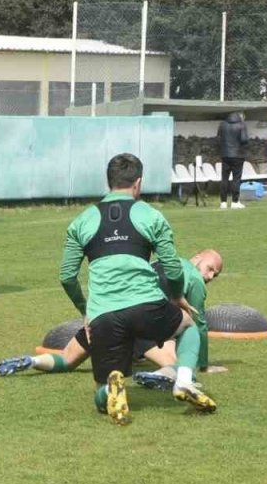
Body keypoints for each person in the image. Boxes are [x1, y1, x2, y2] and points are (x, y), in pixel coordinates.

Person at [59, 153, 216, 425]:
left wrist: (87, 311)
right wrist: (177, 296)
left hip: (104, 315)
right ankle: (183, 379)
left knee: (101, 394)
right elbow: (173, 267)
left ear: (108, 182)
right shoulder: (151, 215)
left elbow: (67, 277)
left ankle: (111, 389)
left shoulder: (82, 221)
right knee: (189, 325)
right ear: (138, 183)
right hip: (148, 306)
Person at [0, 251, 224, 385]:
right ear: (197, 258)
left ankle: (31, 361)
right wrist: (203, 365)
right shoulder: (194, 279)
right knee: (182, 360)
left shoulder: (162, 262)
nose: (210, 276)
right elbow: (200, 324)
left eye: (215, 273)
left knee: (67, 359)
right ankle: (156, 377)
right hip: (140, 317)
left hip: (105, 310)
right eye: (210, 268)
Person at [218, 112, 248, 209]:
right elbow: (244, 140)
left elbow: (218, 139)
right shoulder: (242, 125)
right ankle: (235, 202)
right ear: (241, 117)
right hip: (238, 155)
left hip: (225, 154)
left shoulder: (222, 125)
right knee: (236, 179)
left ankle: (223, 202)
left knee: (224, 178)